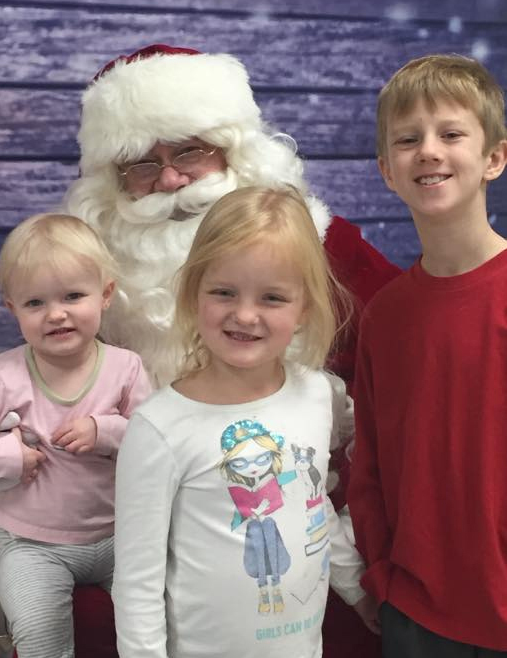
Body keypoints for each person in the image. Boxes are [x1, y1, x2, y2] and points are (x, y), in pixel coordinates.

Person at [64, 43, 401, 656]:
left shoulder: (324, 253)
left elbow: (408, 364)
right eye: (142, 164)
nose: (170, 180)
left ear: (234, 148)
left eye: (190, 151)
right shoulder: (94, 291)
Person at [112, 185, 380, 658]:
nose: (245, 314)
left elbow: (313, 508)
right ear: (194, 293)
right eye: (224, 292)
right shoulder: (159, 427)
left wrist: (358, 591)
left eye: (272, 297)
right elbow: (137, 582)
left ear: (304, 308)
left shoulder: (318, 396)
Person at [347, 53, 507, 656]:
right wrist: (383, 576)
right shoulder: (385, 316)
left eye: (451, 134)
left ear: (494, 158)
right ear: (387, 170)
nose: (429, 151)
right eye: (408, 139)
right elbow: (370, 464)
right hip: (417, 614)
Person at [0, 213, 152, 658]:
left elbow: (155, 442)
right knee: (38, 632)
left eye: (73, 296)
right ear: (12, 308)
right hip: (33, 544)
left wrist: (106, 430)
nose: (56, 314)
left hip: (121, 536)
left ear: (105, 294)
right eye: (35, 303)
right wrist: (7, 459)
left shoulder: (126, 367)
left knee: (155, 622)